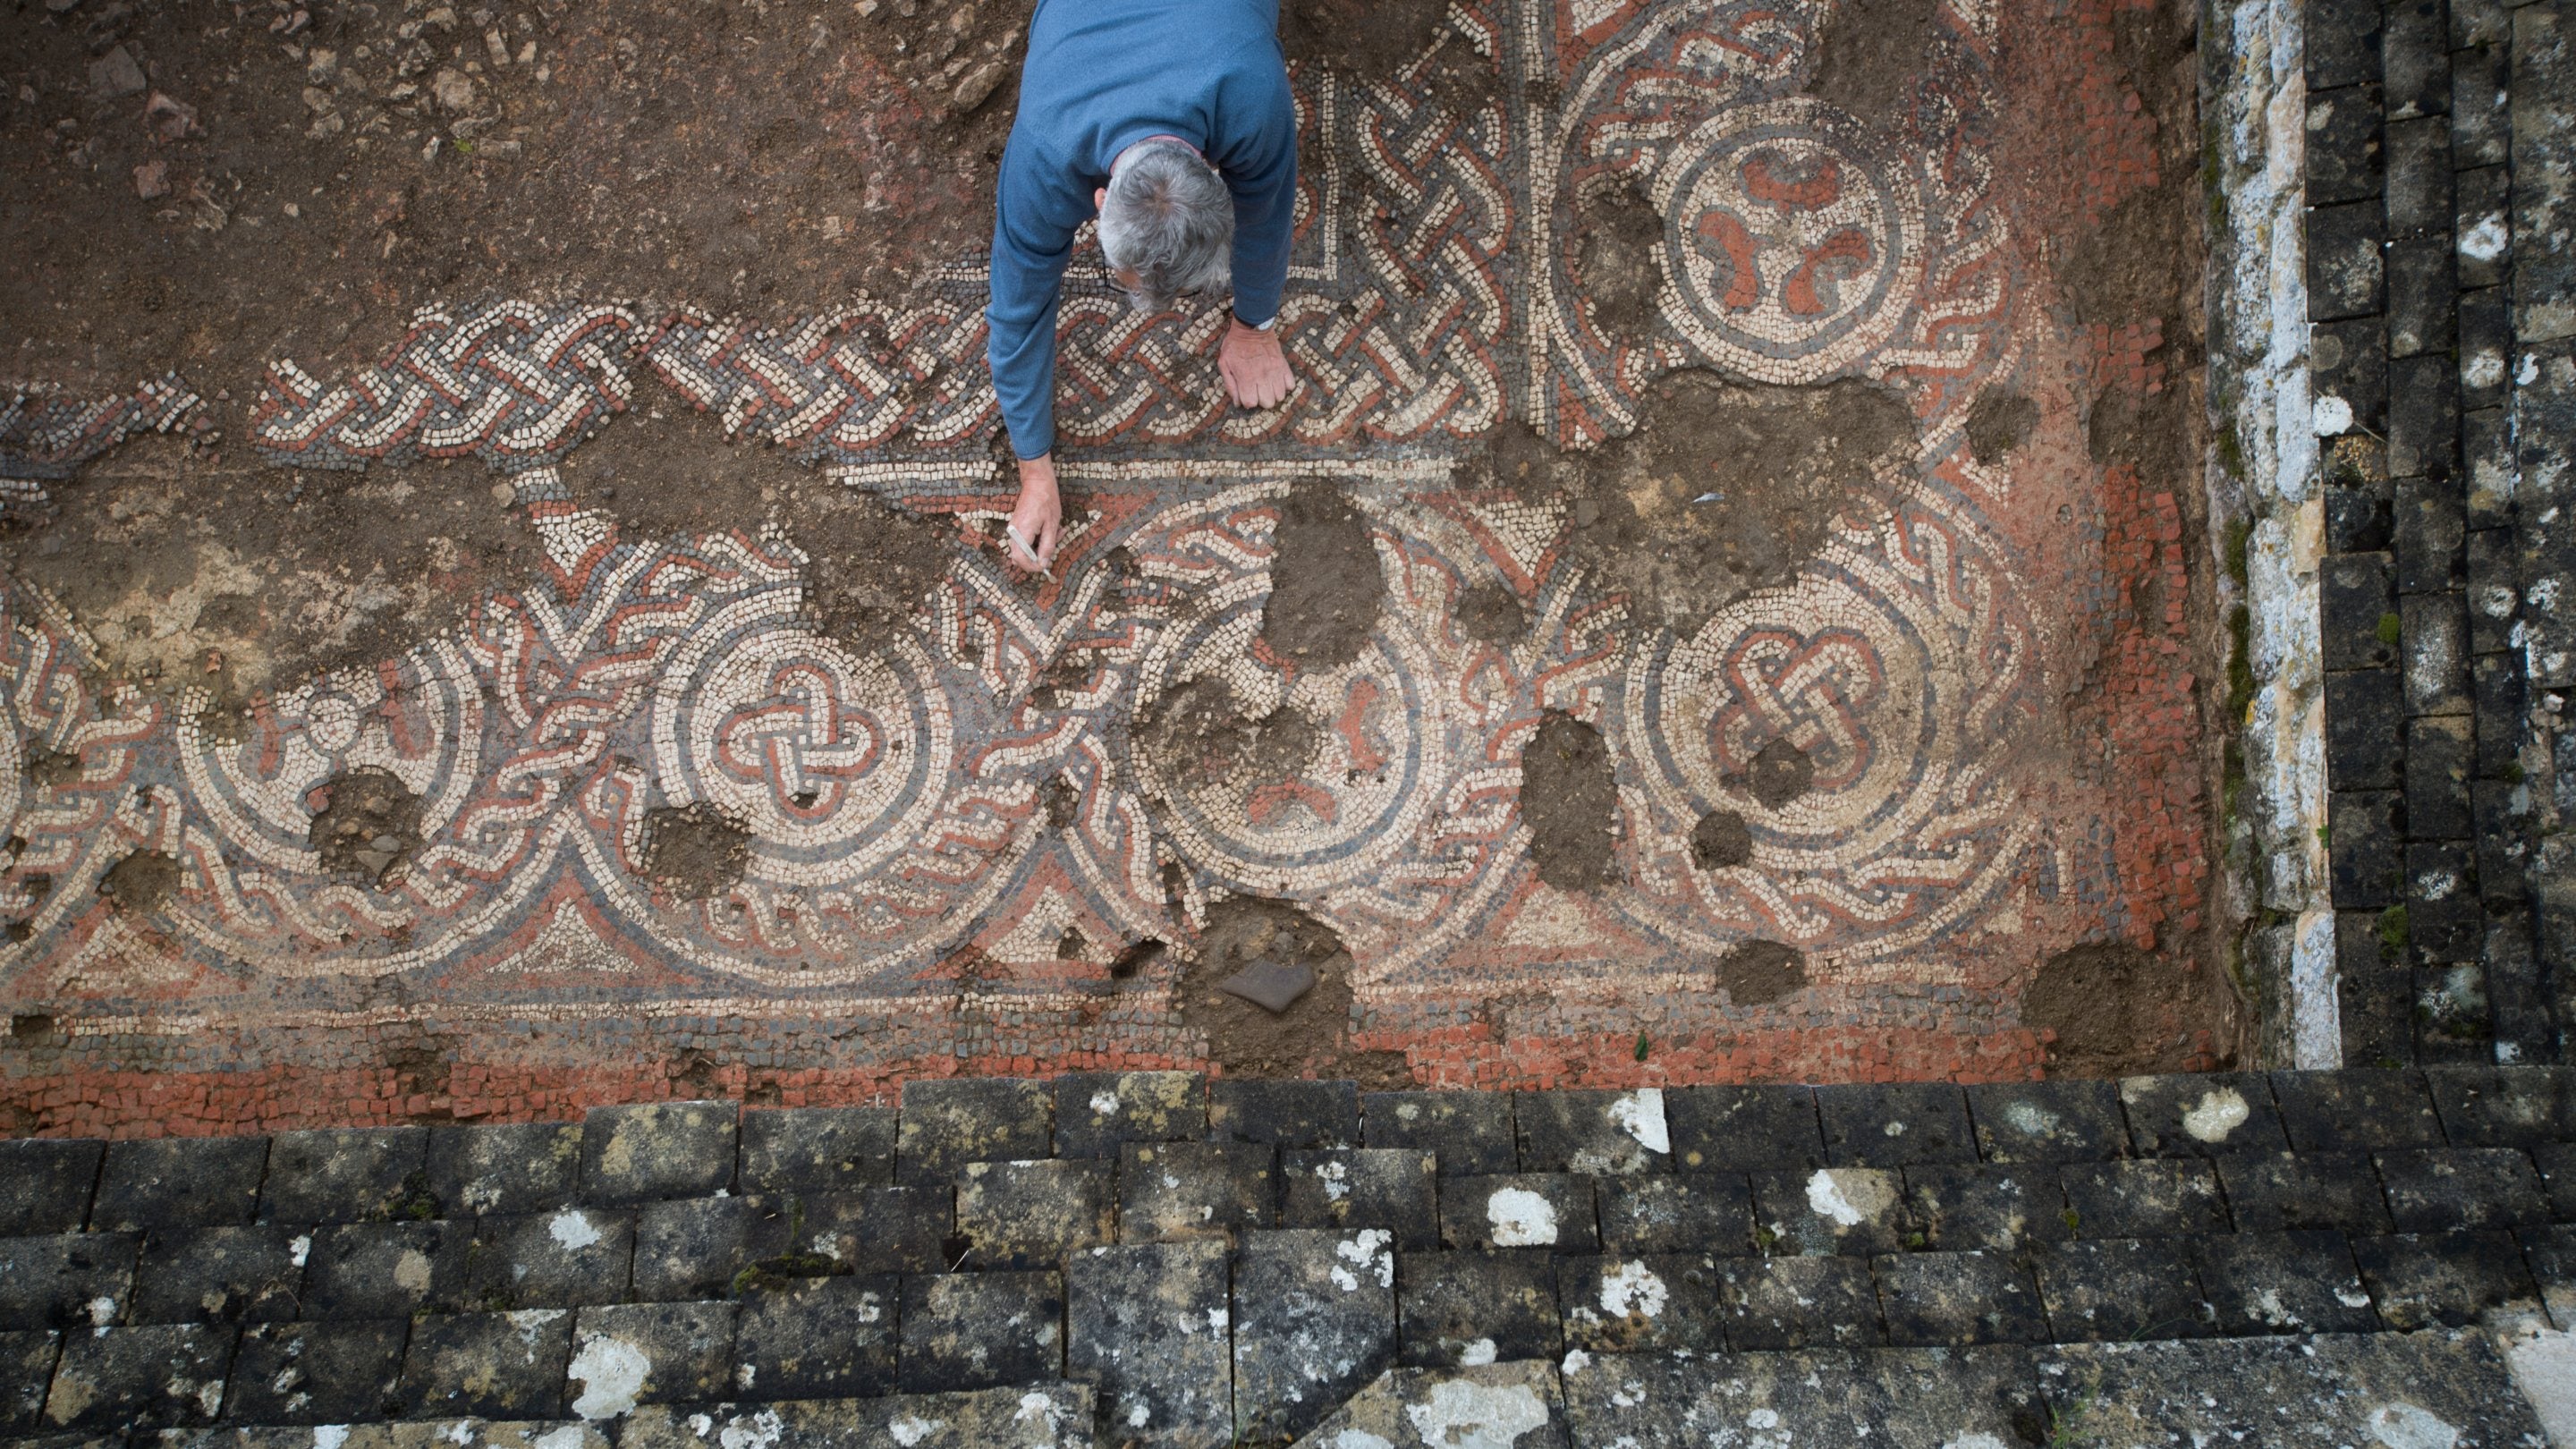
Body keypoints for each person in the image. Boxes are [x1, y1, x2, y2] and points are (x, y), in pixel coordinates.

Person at [987, 0, 1300, 572]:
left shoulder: (1255, 92)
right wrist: (1035, 468)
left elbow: (1268, 210)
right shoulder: (1045, 151)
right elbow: (1018, 309)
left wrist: (1255, 327)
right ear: (1098, 202)